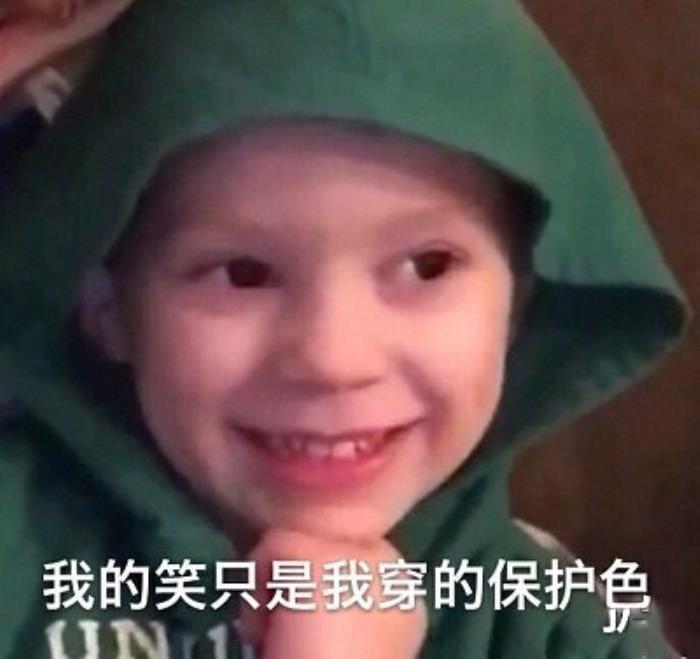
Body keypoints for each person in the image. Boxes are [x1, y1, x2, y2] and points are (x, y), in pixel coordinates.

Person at [0, 1, 689, 658]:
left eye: (427, 265)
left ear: (516, 299)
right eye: (243, 273)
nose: (334, 358)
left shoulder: (572, 632)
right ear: (107, 306)